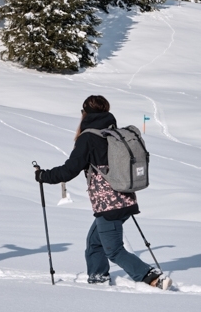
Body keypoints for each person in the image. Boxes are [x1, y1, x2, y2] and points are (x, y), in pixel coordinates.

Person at [35, 94, 171, 289]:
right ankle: (98, 278)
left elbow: (70, 170)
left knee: (114, 250)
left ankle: (151, 277)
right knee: (95, 242)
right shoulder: (113, 132)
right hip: (125, 197)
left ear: (84, 113)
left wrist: (44, 176)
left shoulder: (88, 137)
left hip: (109, 204)